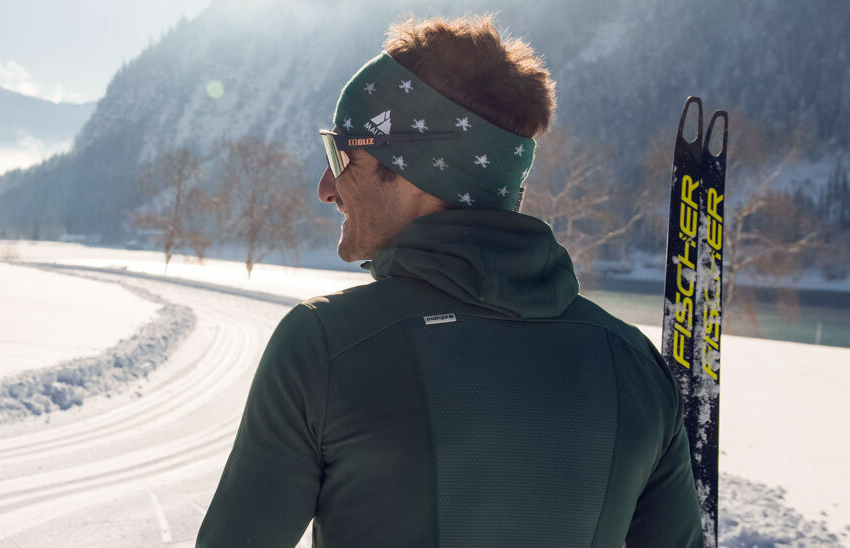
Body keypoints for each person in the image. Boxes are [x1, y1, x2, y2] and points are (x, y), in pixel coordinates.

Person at [197, 16, 704, 547]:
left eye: (341, 153)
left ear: (418, 170)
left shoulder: (325, 346)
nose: (326, 187)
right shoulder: (635, 365)